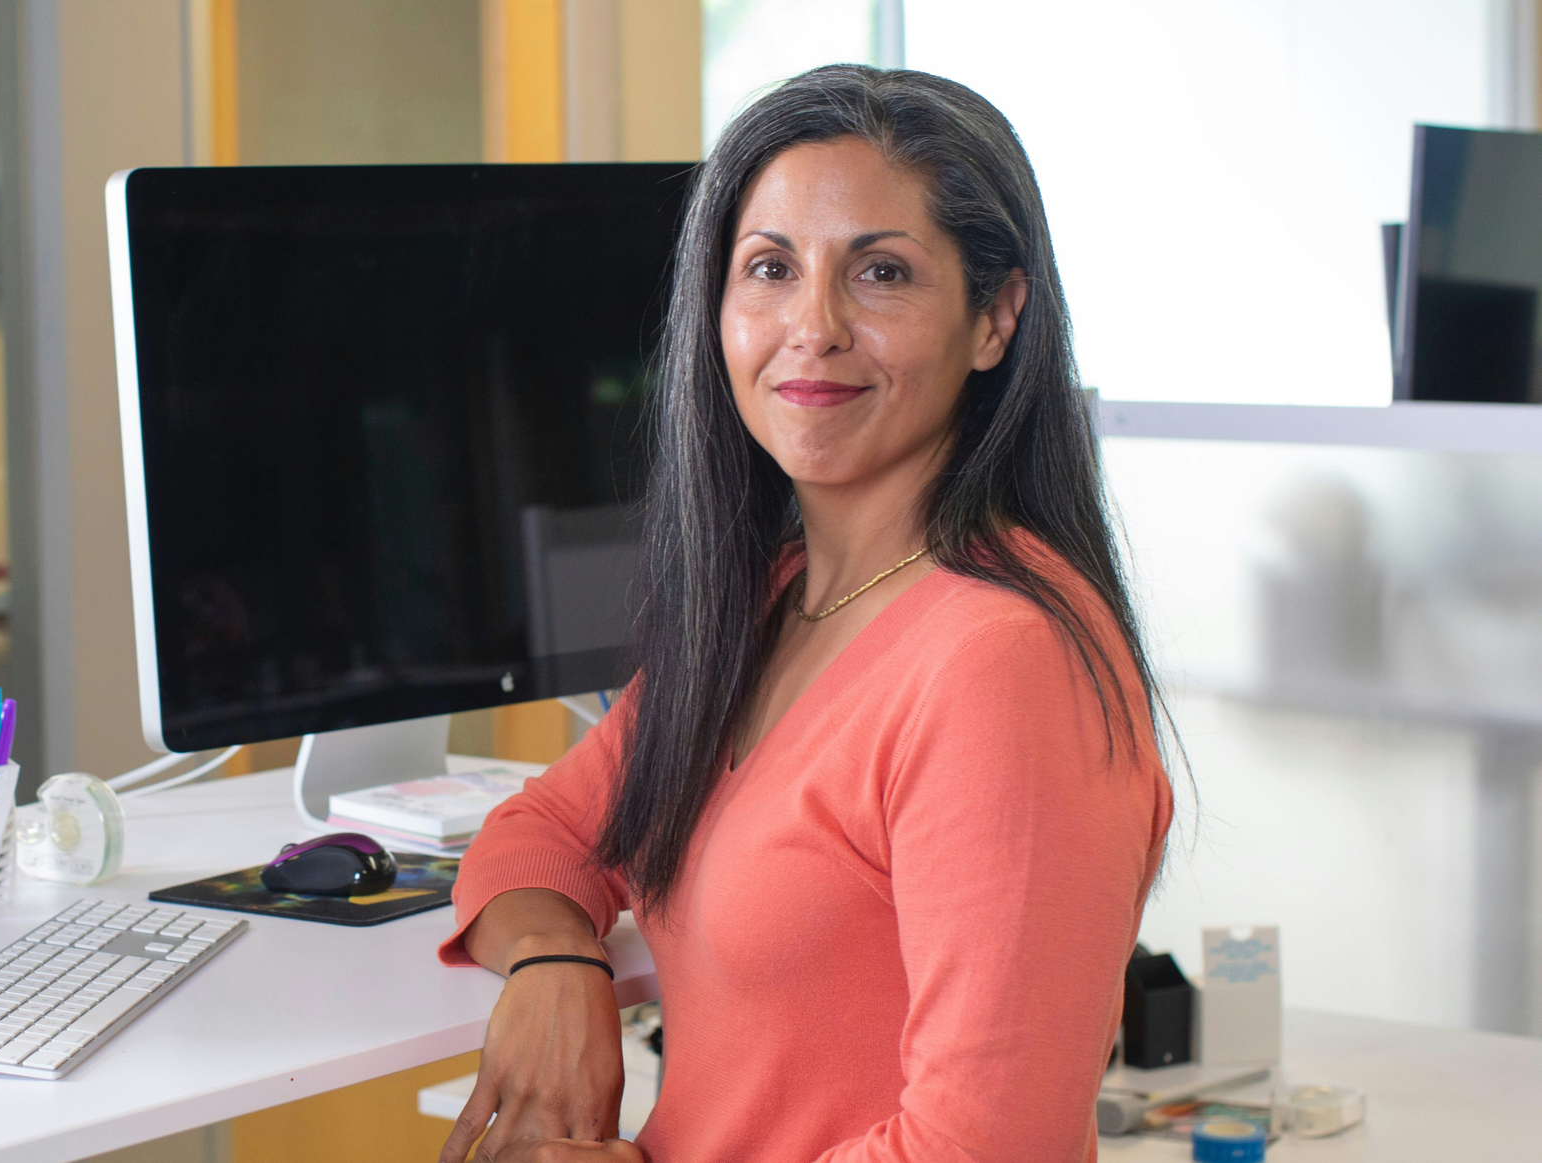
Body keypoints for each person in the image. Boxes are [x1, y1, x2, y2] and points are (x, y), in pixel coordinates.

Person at [436, 65, 1176, 1163]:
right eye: (769, 268)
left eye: (880, 272)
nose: (811, 325)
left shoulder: (1002, 660)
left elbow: (981, 1148)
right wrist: (557, 963)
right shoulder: (773, 599)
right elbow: (536, 835)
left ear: (995, 317)